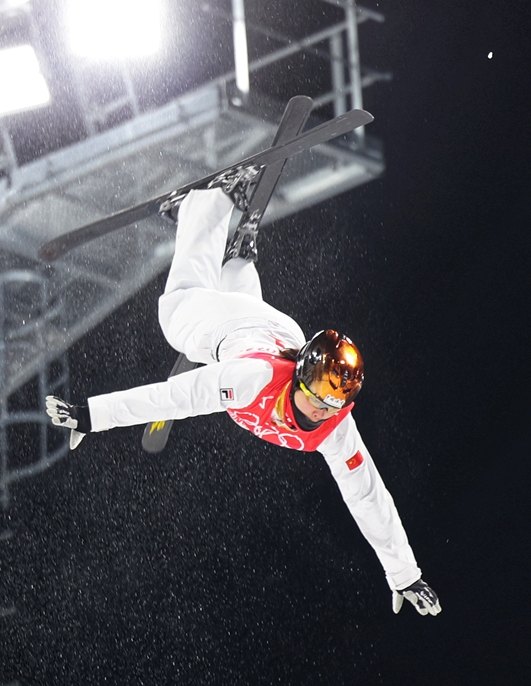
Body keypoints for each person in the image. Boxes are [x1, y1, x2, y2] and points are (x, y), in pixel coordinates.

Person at [45, 187, 441, 616]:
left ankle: (239, 258)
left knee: (242, 304)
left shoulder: (337, 427)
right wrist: (92, 416)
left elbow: (368, 495)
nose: (323, 414)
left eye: (334, 406)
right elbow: (174, 398)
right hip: (231, 333)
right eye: (319, 402)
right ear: (301, 385)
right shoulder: (251, 381)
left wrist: (405, 574)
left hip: (272, 325)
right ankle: (207, 205)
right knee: (177, 312)